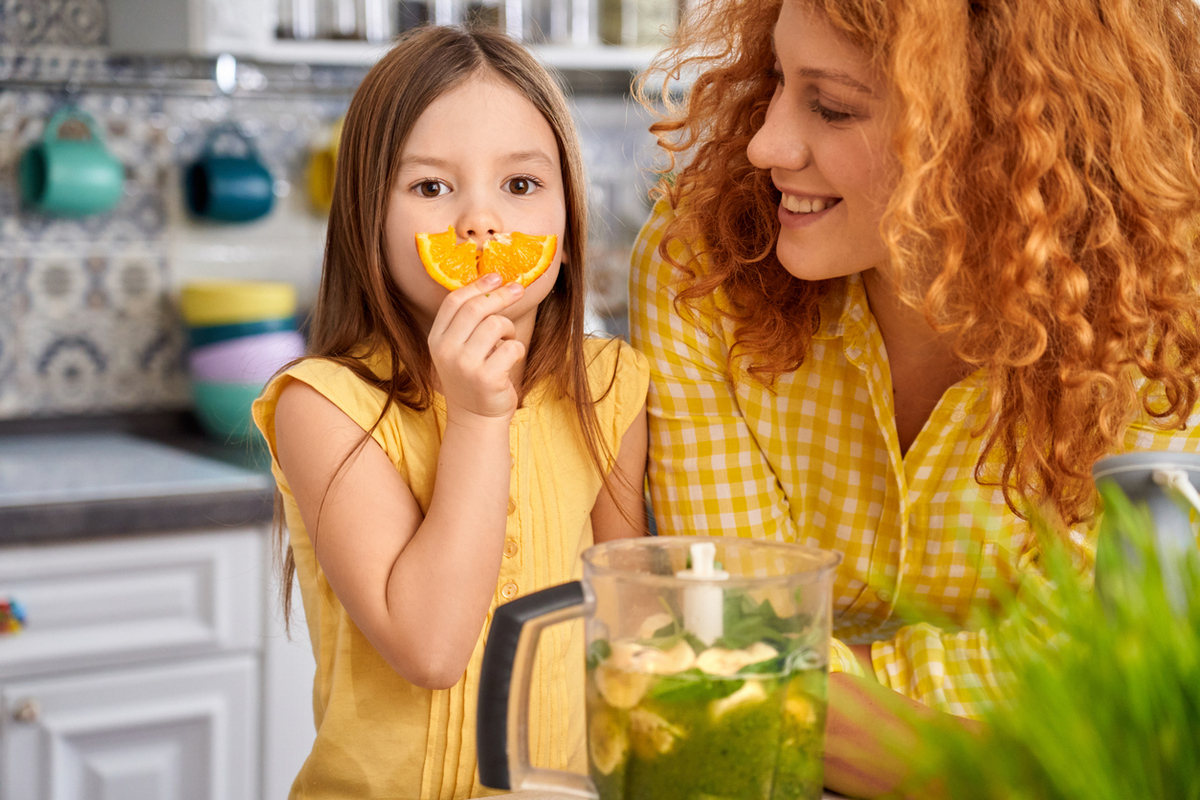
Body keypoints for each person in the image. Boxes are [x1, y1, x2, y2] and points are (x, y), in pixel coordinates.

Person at [629, 0, 1200, 795]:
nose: (765, 142)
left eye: (830, 106)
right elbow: (725, 640)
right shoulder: (702, 260)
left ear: (993, 136)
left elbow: (1102, 680)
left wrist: (792, 701)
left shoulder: (1167, 314)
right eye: (775, 80)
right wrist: (1004, 764)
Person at [253, 25, 649, 800]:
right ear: (370, 219)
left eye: (522, 186)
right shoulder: (326, 405)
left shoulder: (609, 386)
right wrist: (476, 417)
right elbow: (430, 648)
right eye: (431, 188)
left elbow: (627, 624)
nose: (480, 223)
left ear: (566, 233)